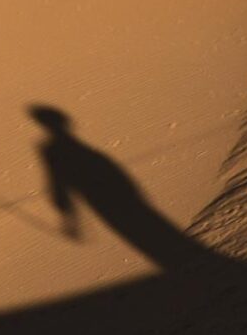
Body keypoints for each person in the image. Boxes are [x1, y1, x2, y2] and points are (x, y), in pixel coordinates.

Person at [30, 104, 216, 270]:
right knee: (153, 229)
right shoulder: (80, 149)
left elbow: (59, 182)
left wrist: (68, 216)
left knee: (142, 236)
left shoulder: (53, 150)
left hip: (105, 201)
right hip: (124, 196)